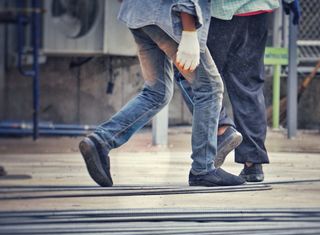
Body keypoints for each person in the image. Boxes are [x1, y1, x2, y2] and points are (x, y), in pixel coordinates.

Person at [79, 0, 245, 187]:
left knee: (157, 92)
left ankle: (101, 141)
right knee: (210, 87)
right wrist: (189, 32)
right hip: (167, 16)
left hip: (138, 13)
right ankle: (203, 169)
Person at [175, 0, 300, 182]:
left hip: (221, 13)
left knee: (192, 76)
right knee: (248, 84)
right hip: (259, 10)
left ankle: (222, 128)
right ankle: (253, 163)